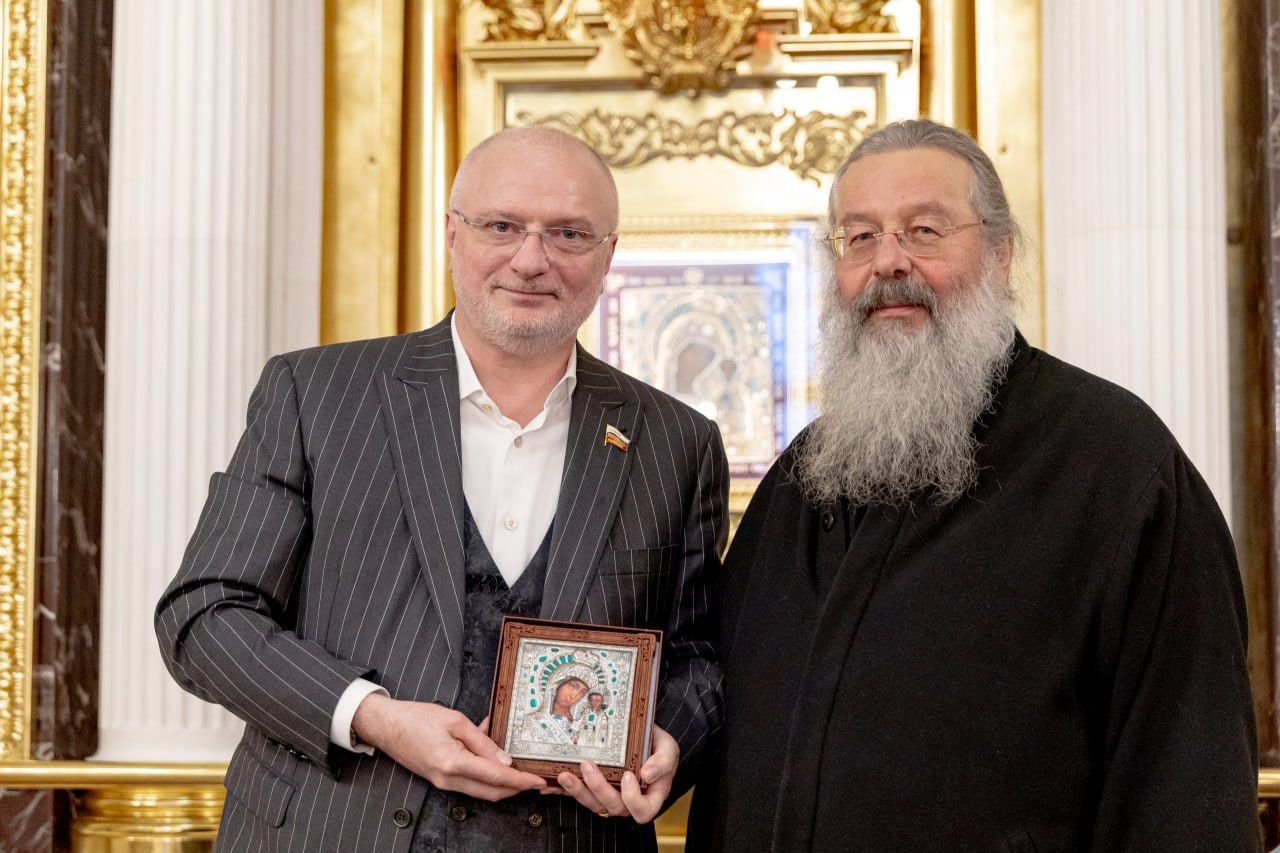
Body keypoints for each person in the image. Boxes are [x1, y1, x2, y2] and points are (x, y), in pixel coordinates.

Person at [688, 119, 1261, 851]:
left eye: (924, 231)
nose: (887, 262)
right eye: (859, 237)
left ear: (1000, 252)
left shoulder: (1119, 469)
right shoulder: (800, 478)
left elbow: (1186, 787)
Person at [155, 126, 728, 853]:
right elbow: (204, 614)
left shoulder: (677, 441)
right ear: (452, 234)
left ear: (608, 254)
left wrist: (670, 740)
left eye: (569, 233)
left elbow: (697, 658)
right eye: (501, 225)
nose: (531, 259)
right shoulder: (316, 394)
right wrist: (374, 716)